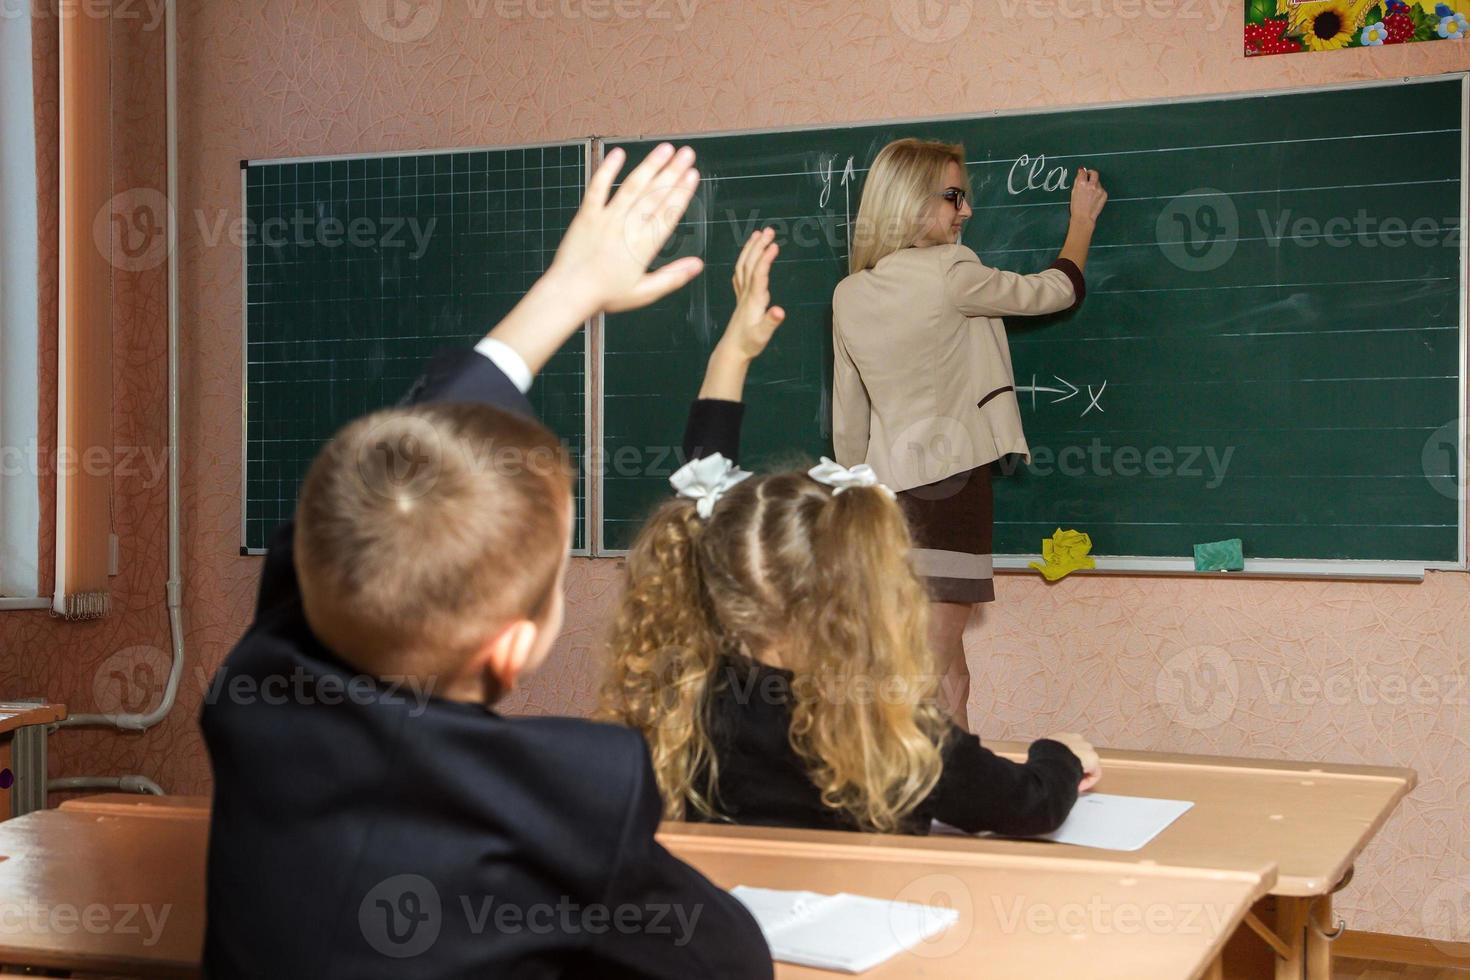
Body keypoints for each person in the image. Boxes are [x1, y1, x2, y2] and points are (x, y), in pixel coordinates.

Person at [201, 144, 774, 980]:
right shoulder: (567, 797)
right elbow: (731, 961)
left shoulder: (259, 696)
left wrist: (565, 291)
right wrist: (575, 288)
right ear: (514, 646)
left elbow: (366, 502)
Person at [599, 228, 1101, 837]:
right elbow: (1031, 805)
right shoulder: (889, 732)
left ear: (721, 578)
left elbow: (700, 488)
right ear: (854, 591)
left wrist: (732, 350)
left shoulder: (686, 703)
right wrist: (1063, 755)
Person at [831, 138, 1108, 729]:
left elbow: (848, 418)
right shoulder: (953, 270)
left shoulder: (849, 293)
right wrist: (1080, 223)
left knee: (939, 653)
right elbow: (1056, 290)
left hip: (882, 490)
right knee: (931, 655)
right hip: (951, 482)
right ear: (910, 201)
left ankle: (957, 772)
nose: (967, 211)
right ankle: (902, 784)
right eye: (954, 196)